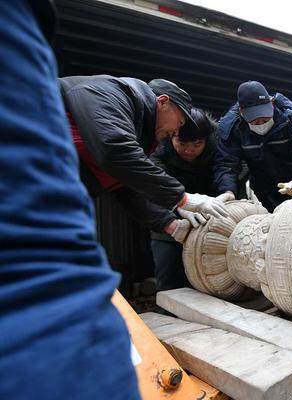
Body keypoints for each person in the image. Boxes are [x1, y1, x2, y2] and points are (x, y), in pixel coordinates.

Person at [0, 1, 139, 398]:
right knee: (38, 277)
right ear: (164, 106)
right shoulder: (109, 98)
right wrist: (180, 202)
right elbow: (115, 153)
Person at [60, 74, 228, 240]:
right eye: (180, 122)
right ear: (163, 102)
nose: (177, 131)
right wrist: (181, 198)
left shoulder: (138, 137)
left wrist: (171, 225)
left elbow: (127, 186)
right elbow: (113, 148)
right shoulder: (110, 93)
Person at [214, 81, 292, 212]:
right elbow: (226, 164)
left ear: (271, 103)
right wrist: (228, 191)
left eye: (265, 119)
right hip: (266, 191)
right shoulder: (232, 127)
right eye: (255, 121)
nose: (261, 124)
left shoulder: (288, 116)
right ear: (242, 112)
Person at [147, 108, 219, 291]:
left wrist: (226, 196)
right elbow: (154, 187)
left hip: (209, 223)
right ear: (172, 136)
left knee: (212, 280)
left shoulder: (217, 148)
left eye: (197, 144)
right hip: (170, 223)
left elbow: (233, 170)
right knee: (170, 280)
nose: (189, 150)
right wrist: (175, 210)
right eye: (182, 143)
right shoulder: (157, 150)